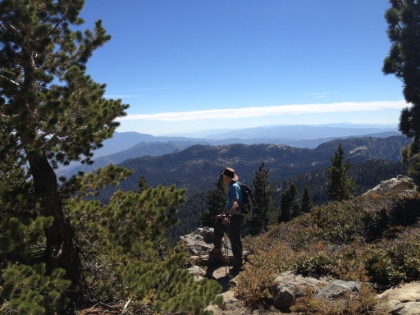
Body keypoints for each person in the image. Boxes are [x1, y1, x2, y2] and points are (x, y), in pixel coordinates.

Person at [211, 167, 244, 273]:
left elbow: (235, 204)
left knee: (234, 239)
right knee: (218, 224)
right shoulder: (231, 186)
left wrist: (228, 217)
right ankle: (217, 248)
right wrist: (222, 214)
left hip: (235, 216)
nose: (222, 179)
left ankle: (238, 264)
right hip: (231, 214)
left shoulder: (234, 187)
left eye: (223, 177)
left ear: (228, 178)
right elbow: (228, 203)